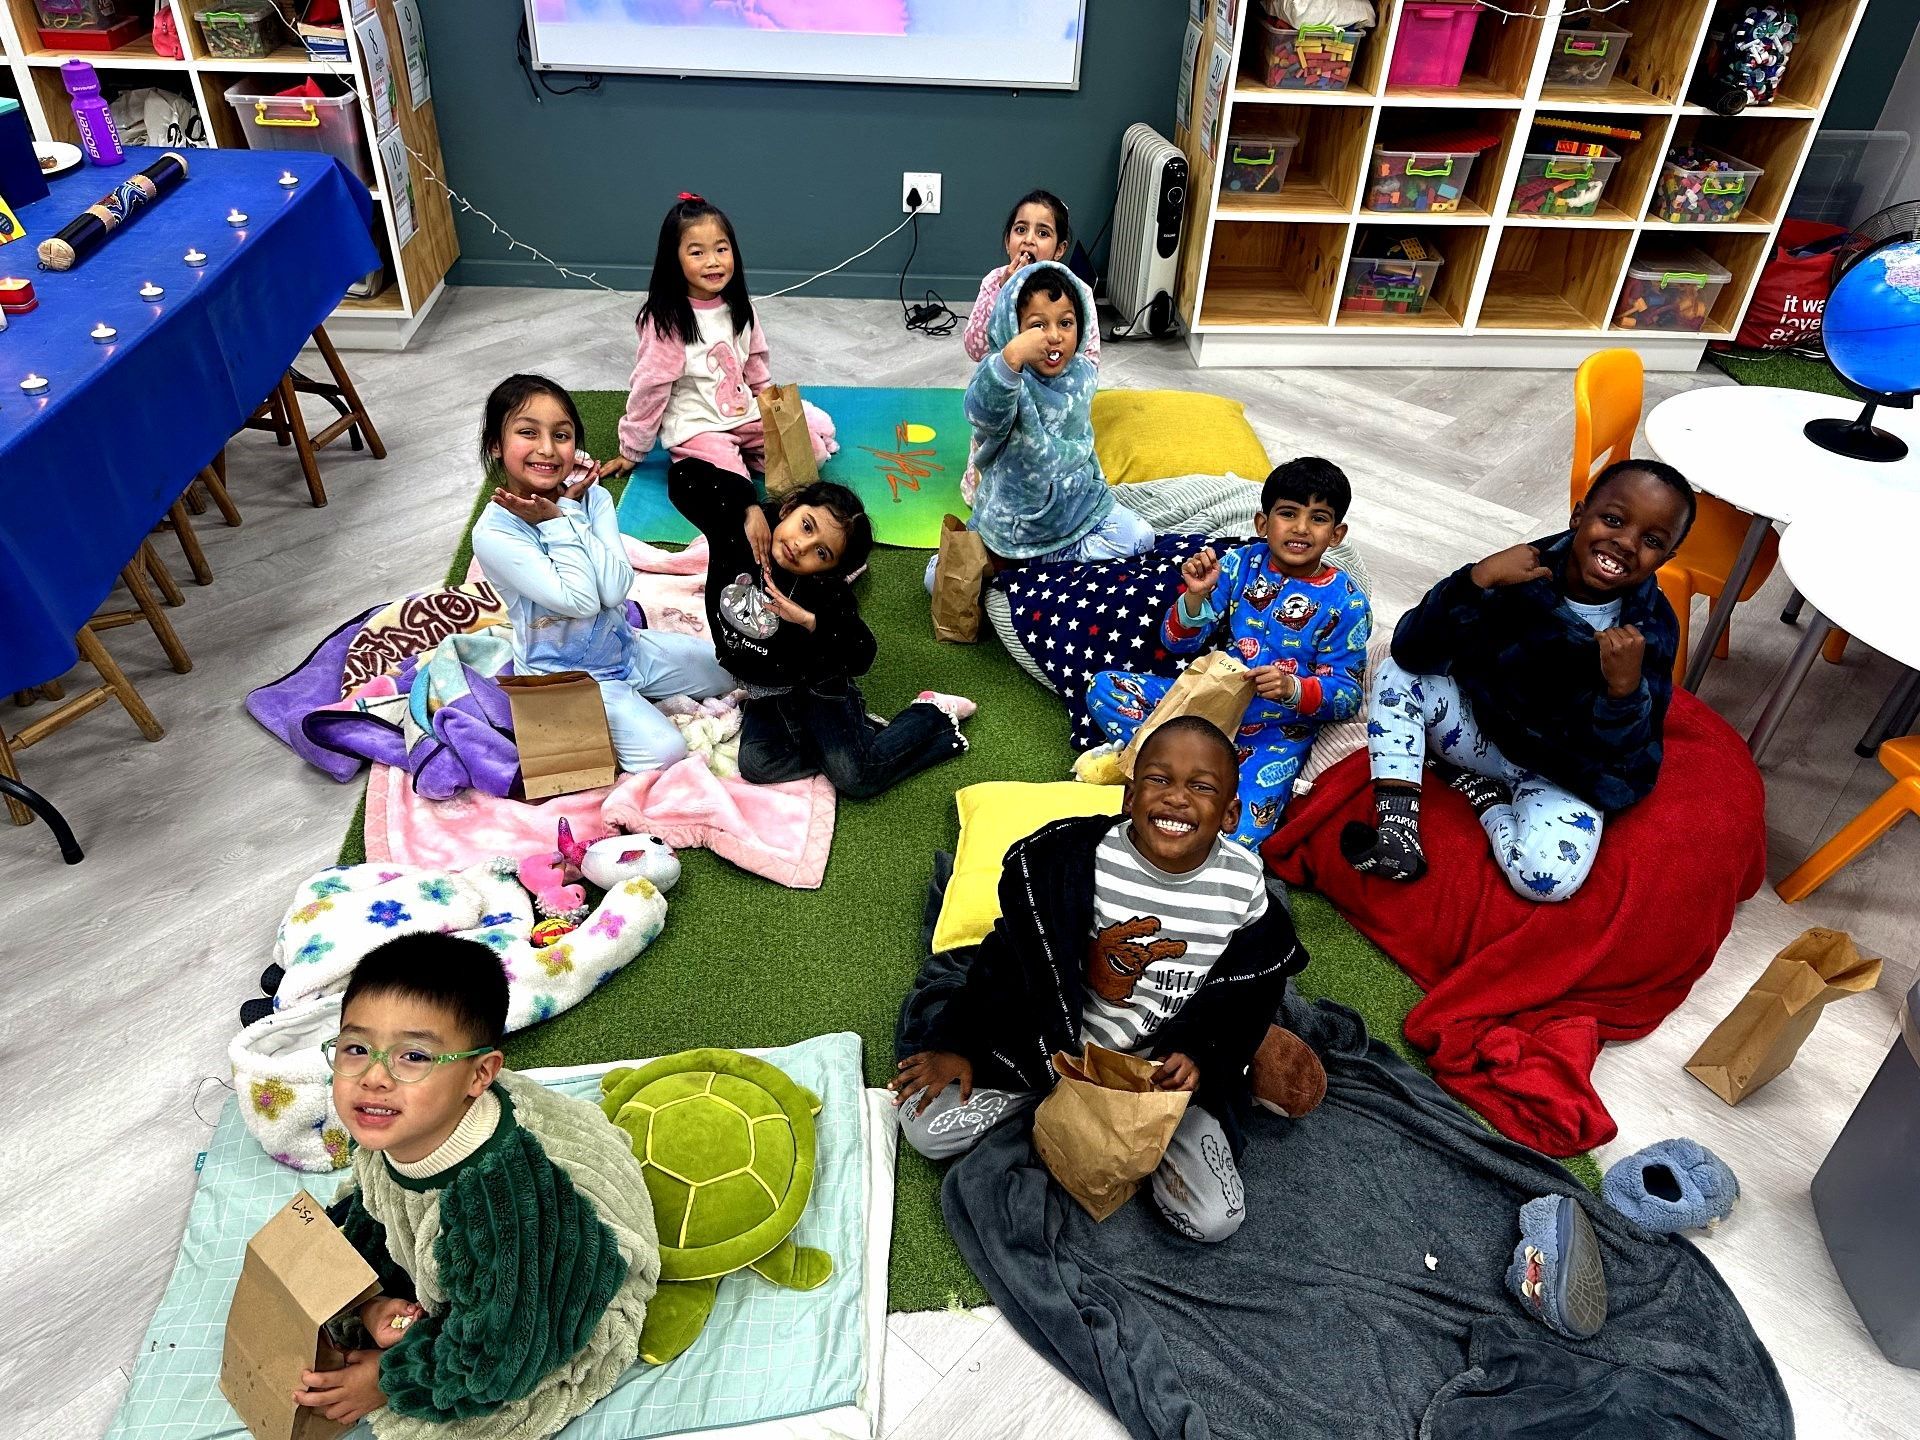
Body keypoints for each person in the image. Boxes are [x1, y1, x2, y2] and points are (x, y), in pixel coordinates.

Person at [891, 717, 1307, 1242]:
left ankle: (1171, 1124)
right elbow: (1007, 957)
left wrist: (1202, 1058)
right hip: (1051, 1045)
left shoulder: (1243, 886)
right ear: (1129, 796)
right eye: (1159, 779)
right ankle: (1045, 1097)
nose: (1177, 798)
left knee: (1214, 1219)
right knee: (923, 1126)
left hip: (1156, 1074)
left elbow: (1252, 988)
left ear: (1230, 812)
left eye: (1201, 786)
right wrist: (956, 1043)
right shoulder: (1075, 862)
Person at [295, 933, 659, 1436]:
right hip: (492, 1243)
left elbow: (505, 1352)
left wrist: (386, 1379)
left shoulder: (504, 1207)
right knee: (324, 1267)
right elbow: (373, 1209)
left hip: (557, 1288)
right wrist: (370, 1301)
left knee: (469, 1410)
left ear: (479, 1075)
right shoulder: (397, 1123)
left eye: (414, 1057)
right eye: (357, 1048)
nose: (374, 1078)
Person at [1343, 459, 1694, 903]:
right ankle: (1398, 832)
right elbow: (1414, 648)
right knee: (1400, 674)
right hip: (1482, 733)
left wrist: (1623, 692)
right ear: (1579, 514)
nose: (1625, 542)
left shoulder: (1652, 628)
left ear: (1668, 557)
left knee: (1546, 879)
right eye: (1612, 519)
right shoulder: (1521, 571)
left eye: (1652, 540)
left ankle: (1485, 799)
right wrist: (1474, 580)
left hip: (1563, 773)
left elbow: (1628, 754)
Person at [1083, 458, 1372, 850]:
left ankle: (1165, 775)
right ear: (1262, 524)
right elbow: (1177, 643)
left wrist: (1292, 688)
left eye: (1318, 518)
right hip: (1205, 705)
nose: (1301, 528)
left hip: (1274, 734)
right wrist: (1196, 595)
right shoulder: (1238, 564)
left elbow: (1347, 696)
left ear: (1336, 534)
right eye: (1288, 513)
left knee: (1240, 836)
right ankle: (1158, 765)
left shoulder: (1349, 603)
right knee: (1105, 688)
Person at [470, 374, 736, 775]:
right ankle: (595, 723)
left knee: (730, 667)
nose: (547, 449)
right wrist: (559, 522)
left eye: (562, 435)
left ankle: (629, 702)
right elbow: (579, 602)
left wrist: (571, 512)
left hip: (623, 649)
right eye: (528, 433)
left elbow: (613, 592)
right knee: (664, 751)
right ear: (496, 444)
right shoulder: (494, 533)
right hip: (564, 677)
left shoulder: (590, 496)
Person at [668, 455, 973, 799]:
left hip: (819, 687)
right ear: (790, 508)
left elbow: (862, 654)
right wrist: (748, 506)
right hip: (767, 692)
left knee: (858, 779)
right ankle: (854, 739)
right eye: (807, 526)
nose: (801, 546)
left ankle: (931, 714)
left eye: (822, 553)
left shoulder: (824, 591)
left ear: (830, 569)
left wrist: (810, 621)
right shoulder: (739, 530)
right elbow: (682, 476)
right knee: (756, 765)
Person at [601, 194, 836, 481]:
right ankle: (709, 458)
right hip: (699, 425)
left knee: (813, 455)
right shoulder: (667, 321)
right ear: (673, 259)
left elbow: (756, 369)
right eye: (697, 253)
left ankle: (746, 453)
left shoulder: (741, 308)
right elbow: (650, 388)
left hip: (744, 414)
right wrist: (632, 450)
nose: (713, 262)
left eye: (721, 249)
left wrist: (779, 414)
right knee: (733, 489)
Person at [957, 260, 1152, 576]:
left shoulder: (1083, 374)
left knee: (1141, 538)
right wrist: (1011, 358)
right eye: (1037, 326)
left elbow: (1082, 442)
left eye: (1065, 323)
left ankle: (1046, 561)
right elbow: (983, 416)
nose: (1054, 336)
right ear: (1013, 328)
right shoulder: (1004, 376)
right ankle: (1022, 561)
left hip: (1076, 511)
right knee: (939, 579)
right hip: (1016, 522)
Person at [959, 190, 1100, 506]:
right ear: (1008, 239)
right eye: (1020, 230)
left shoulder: (1078, 293)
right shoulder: (995, 281)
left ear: (1059, 249)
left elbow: (1089, 361)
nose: (1029, 240)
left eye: (1043, 232)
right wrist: (1002, 290)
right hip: (1008, 399)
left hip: (1053, 406)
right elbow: (976, 347)